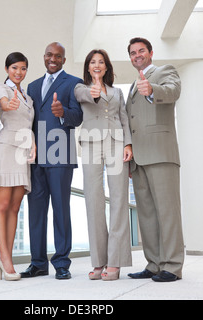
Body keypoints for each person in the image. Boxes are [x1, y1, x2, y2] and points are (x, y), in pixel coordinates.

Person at [21, 42, 83, 280]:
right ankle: (37, 263)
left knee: (60, 210)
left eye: (58, 56)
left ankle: (61, 263)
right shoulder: (33, 86)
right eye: (49, 55)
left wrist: (63, 112)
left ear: (64, 60)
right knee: (36, 211)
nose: (53, 59)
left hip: (60, 155)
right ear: (44, 56)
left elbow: (78, 117)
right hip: (36, 158)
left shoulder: (74, 82)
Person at [125, 37, 185, 282]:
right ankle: (153, 264)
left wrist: (152, 90)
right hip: (138, 159)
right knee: (147, 214)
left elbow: (174, 91)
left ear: (150, 52)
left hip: (160, 153)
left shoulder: (164, 72)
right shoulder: (131, 85)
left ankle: (172, 265)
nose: (137, 55)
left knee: (167, 212)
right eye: (132, 53)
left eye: (141, 51)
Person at [74, 49, 133, 281]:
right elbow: (88, 97)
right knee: (94, 201)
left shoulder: (118, 92)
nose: (97, 65)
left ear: (107, 67)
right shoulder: (81, 88)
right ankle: (99, 261)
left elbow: (123, 118)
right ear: (88, 67)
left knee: (119, 199)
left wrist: (128, 144)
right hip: (90, 146)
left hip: (116, 145)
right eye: (92, 62)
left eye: (101, 62)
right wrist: (95, 89)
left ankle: (115, 261)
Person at [0, 52, 35, 281]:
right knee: (3, 203)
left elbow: (29, 124)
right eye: (15, 67)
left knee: (15, 207)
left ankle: (7, 257)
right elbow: (4, 105)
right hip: (6, 147)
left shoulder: (29, 98)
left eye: (23, 68)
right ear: (7, 69)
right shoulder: (1, 88)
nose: (19, 72)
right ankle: (5, 259)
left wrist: (33, 144)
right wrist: (8, 104)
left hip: (24, 153)